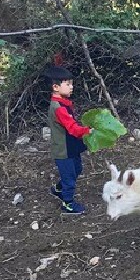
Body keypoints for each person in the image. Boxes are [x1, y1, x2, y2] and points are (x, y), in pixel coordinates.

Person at [46, 66, 91, 215]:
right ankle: (68, 204)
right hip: (63, 150)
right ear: (56, 87)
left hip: (71, 146)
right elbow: (72, 128)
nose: (72, 87)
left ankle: (58, 189)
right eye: (68, 84)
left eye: (71, 84)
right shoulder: (59, 108)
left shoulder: (64, 103)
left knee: (77, 169)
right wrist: (88, 131)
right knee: (69, 177)